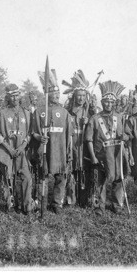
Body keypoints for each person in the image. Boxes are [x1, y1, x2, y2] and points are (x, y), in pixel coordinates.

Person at [32, 69, 72, 214]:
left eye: (58, 93)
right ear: (47, 94)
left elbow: (69, 135)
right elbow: (33, 132)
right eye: (54, 94)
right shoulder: (39, 111)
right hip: (45, 150)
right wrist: (38, 137)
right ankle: (41, 202)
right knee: (43, 176)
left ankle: (57, 204)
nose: (57, 96)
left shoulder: (65, 113)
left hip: (59, 150)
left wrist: (68, 151)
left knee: (61, 177)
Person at [85, 80, 128, 215]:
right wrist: (93, 156)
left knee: (118, 179)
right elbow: (89, 139)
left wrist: (124, 137)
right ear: (102, 103)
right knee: (100, 181)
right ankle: (100, 206)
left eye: (111, 102)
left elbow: (127, 135)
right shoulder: (94, 118)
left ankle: (117, 204)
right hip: (101, 155)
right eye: (106, 102)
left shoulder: (120, 117)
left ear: (114, 103)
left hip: (117, 154)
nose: (109, 104)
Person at [0, 84, 33, 214]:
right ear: (8, 97)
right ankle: (11, 204)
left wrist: (22, 146)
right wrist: (8, 148)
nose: (15, 98)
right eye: (12, 96)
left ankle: (27, 205)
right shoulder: (1, 113)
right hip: (6, 150)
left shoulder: (26, 113)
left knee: (26, 177)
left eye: (16, 95)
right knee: (8, 177)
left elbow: (29, 134)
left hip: (22, 151)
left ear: (20, 95)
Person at [62, 70, 92, 207]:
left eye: (83, 95)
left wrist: (88, 122)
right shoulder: (68, 112)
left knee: (84, 171)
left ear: (86, 97)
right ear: (74, 96)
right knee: (72, 171)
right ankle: (71, 199)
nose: (81, 98)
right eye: (78, 95)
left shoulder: (90, 113)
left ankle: (84, 199)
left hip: (84, 146)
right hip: (72, 144)